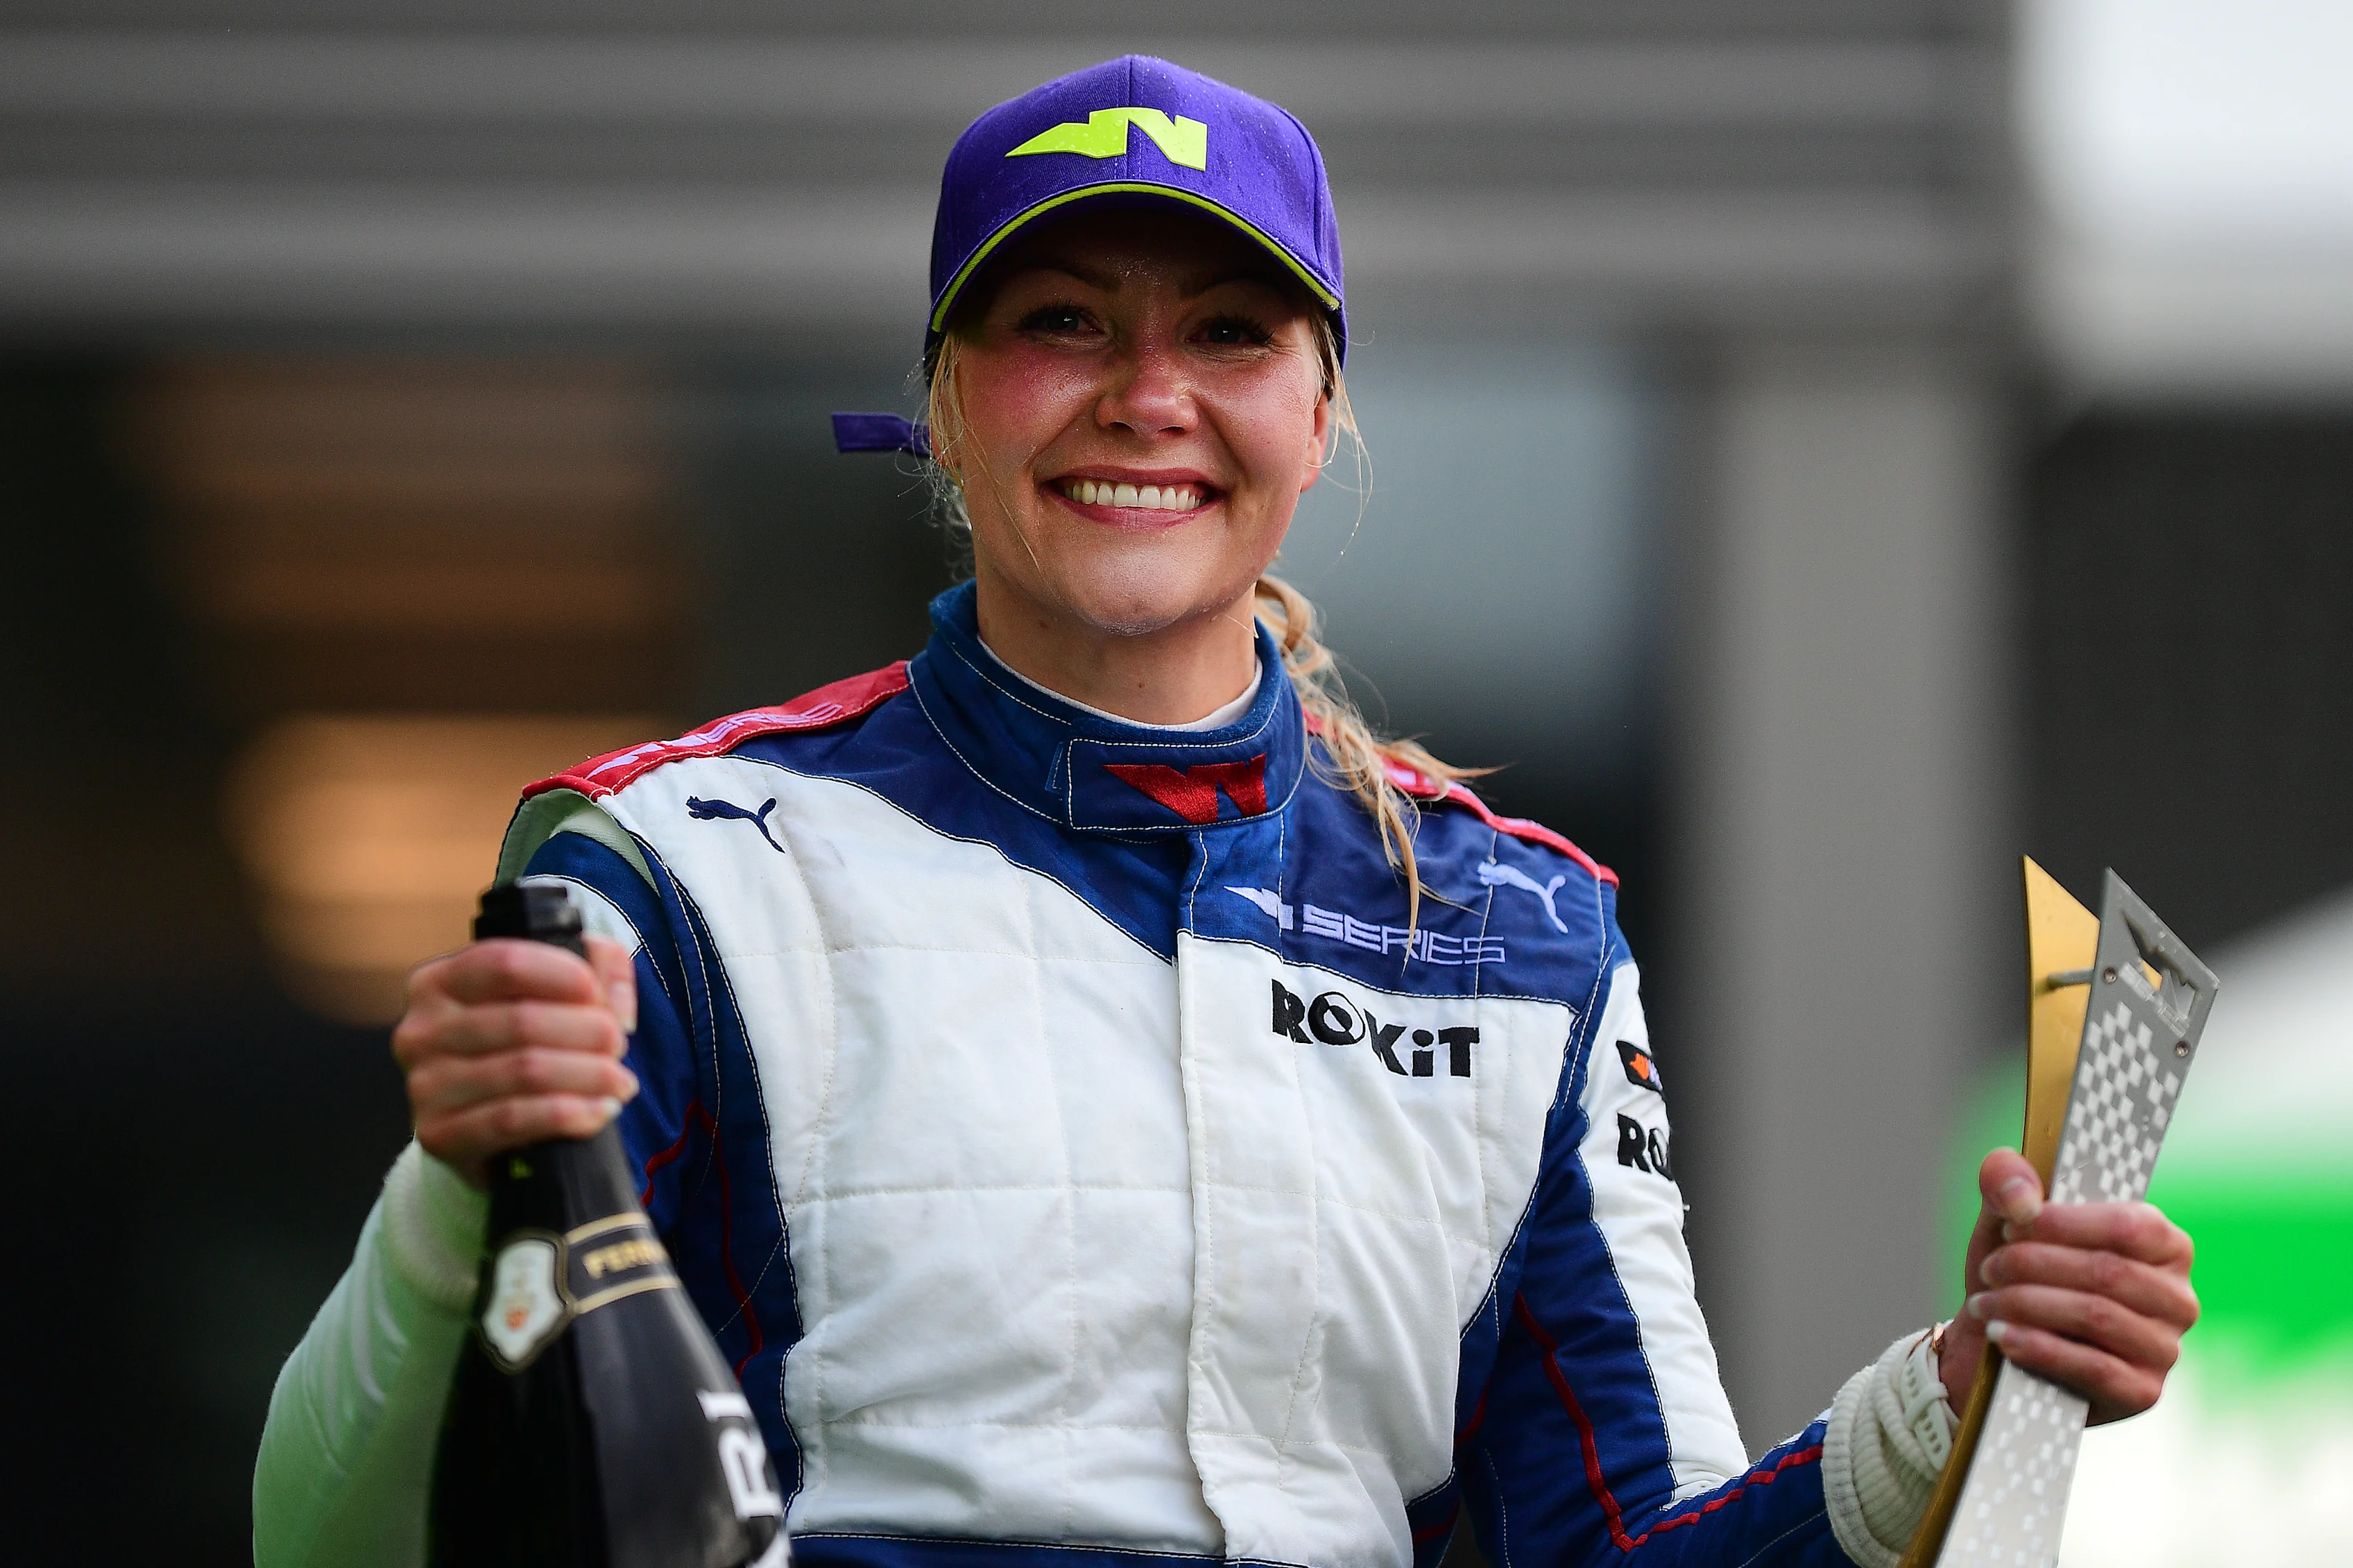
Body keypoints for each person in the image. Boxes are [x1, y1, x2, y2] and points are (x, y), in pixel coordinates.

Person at [255, 55, 2197, 1568]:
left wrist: (1954, 1402)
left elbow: (1616, 1540)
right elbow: (327, 1532)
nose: (1144, 396)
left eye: (1229, 333)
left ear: (1323, 404)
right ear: (945, 399)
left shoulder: (1522, 934)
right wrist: (450, 1198)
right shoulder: (666, 872)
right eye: (1065, 323)